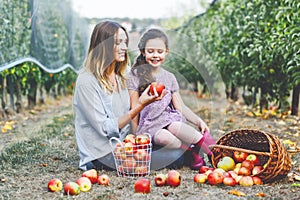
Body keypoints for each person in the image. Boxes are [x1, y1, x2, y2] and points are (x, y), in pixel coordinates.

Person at [73, 21, 163, 171]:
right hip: (102, 154)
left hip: (124, 144)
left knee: (167, 145)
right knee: (173, 155)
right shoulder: (86, 82)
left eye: (125, 42)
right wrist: (140, 105)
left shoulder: (123, 74)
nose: (124, 47)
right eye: (118, 43)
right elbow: (105, 128)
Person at [127, 28, 216, 170]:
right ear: (143, 52)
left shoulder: (169, 78)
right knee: (167, 139)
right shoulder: (135, 76)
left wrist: (198, 120)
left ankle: (215, 153)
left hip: (168, 119)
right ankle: (189, 151)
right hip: (149, 125)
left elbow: (180, 107)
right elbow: (134, 109)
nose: (155, 55)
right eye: (150, 51)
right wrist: (135, 135)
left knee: (177, 126)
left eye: (160, 52)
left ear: (166, 52)